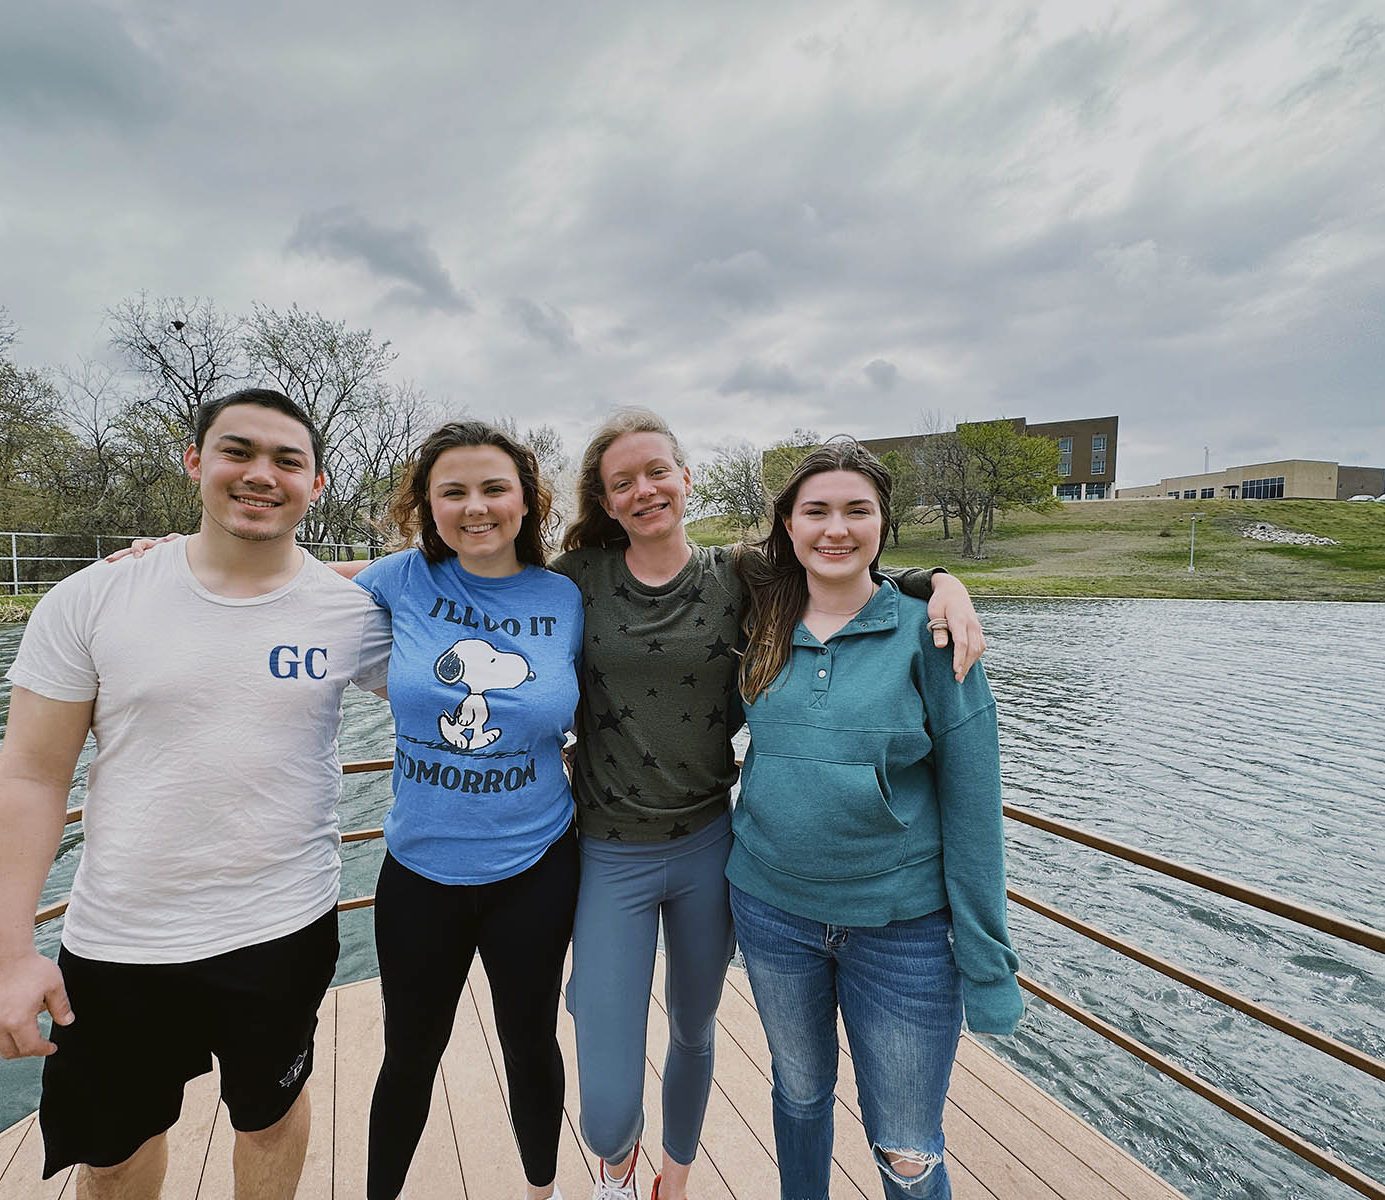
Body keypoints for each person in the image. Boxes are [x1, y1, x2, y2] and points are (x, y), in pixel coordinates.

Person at [551, 410, 986, 1200]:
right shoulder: (578, 576)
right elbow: (480, 590)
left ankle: (672, 1181)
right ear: (605, 500)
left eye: (659, 471)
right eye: (623, 481)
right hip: (627, 849)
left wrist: (940, 582)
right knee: (630, 1096)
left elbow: (845, 565)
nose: (645, 489)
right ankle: (616, 1167)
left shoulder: (741, 575)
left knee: (700, 1030)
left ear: (688, 478)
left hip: (713, 846)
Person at [0, 388, 392, 1200]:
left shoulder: (352, 614)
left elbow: (470, 645)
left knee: (268, 1115)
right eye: (237, 452)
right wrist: (4, 955)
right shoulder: (95, 598)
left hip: (283, 925)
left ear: (318, 483)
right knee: (116, 1148)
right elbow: (29, 775)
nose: (260, 474)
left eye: (287, 460)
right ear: (196, 460)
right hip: (121, 937)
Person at [728, 439, 1021, 1200]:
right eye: (816, 510)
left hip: (903, 934)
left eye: (858, 510)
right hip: (771, 914)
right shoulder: (759, 621)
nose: (836, 528)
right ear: (787, 526)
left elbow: (973, 809)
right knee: (797, 1098)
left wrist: (988, 964)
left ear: (883, 524)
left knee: (907, 1149)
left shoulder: (932, 633)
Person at [348, 421, 583, 1200]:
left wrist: (932, 581)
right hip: (419, 869)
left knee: (529, 1042)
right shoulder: (396, 579)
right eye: (453, 491)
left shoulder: (567, 596)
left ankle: (541, 1190)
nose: (475, 507)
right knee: (409, 1053)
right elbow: (278, 586)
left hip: (537, 866)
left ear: (526, 502)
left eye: (494, 488)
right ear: (425, 505)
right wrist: (167, 557)